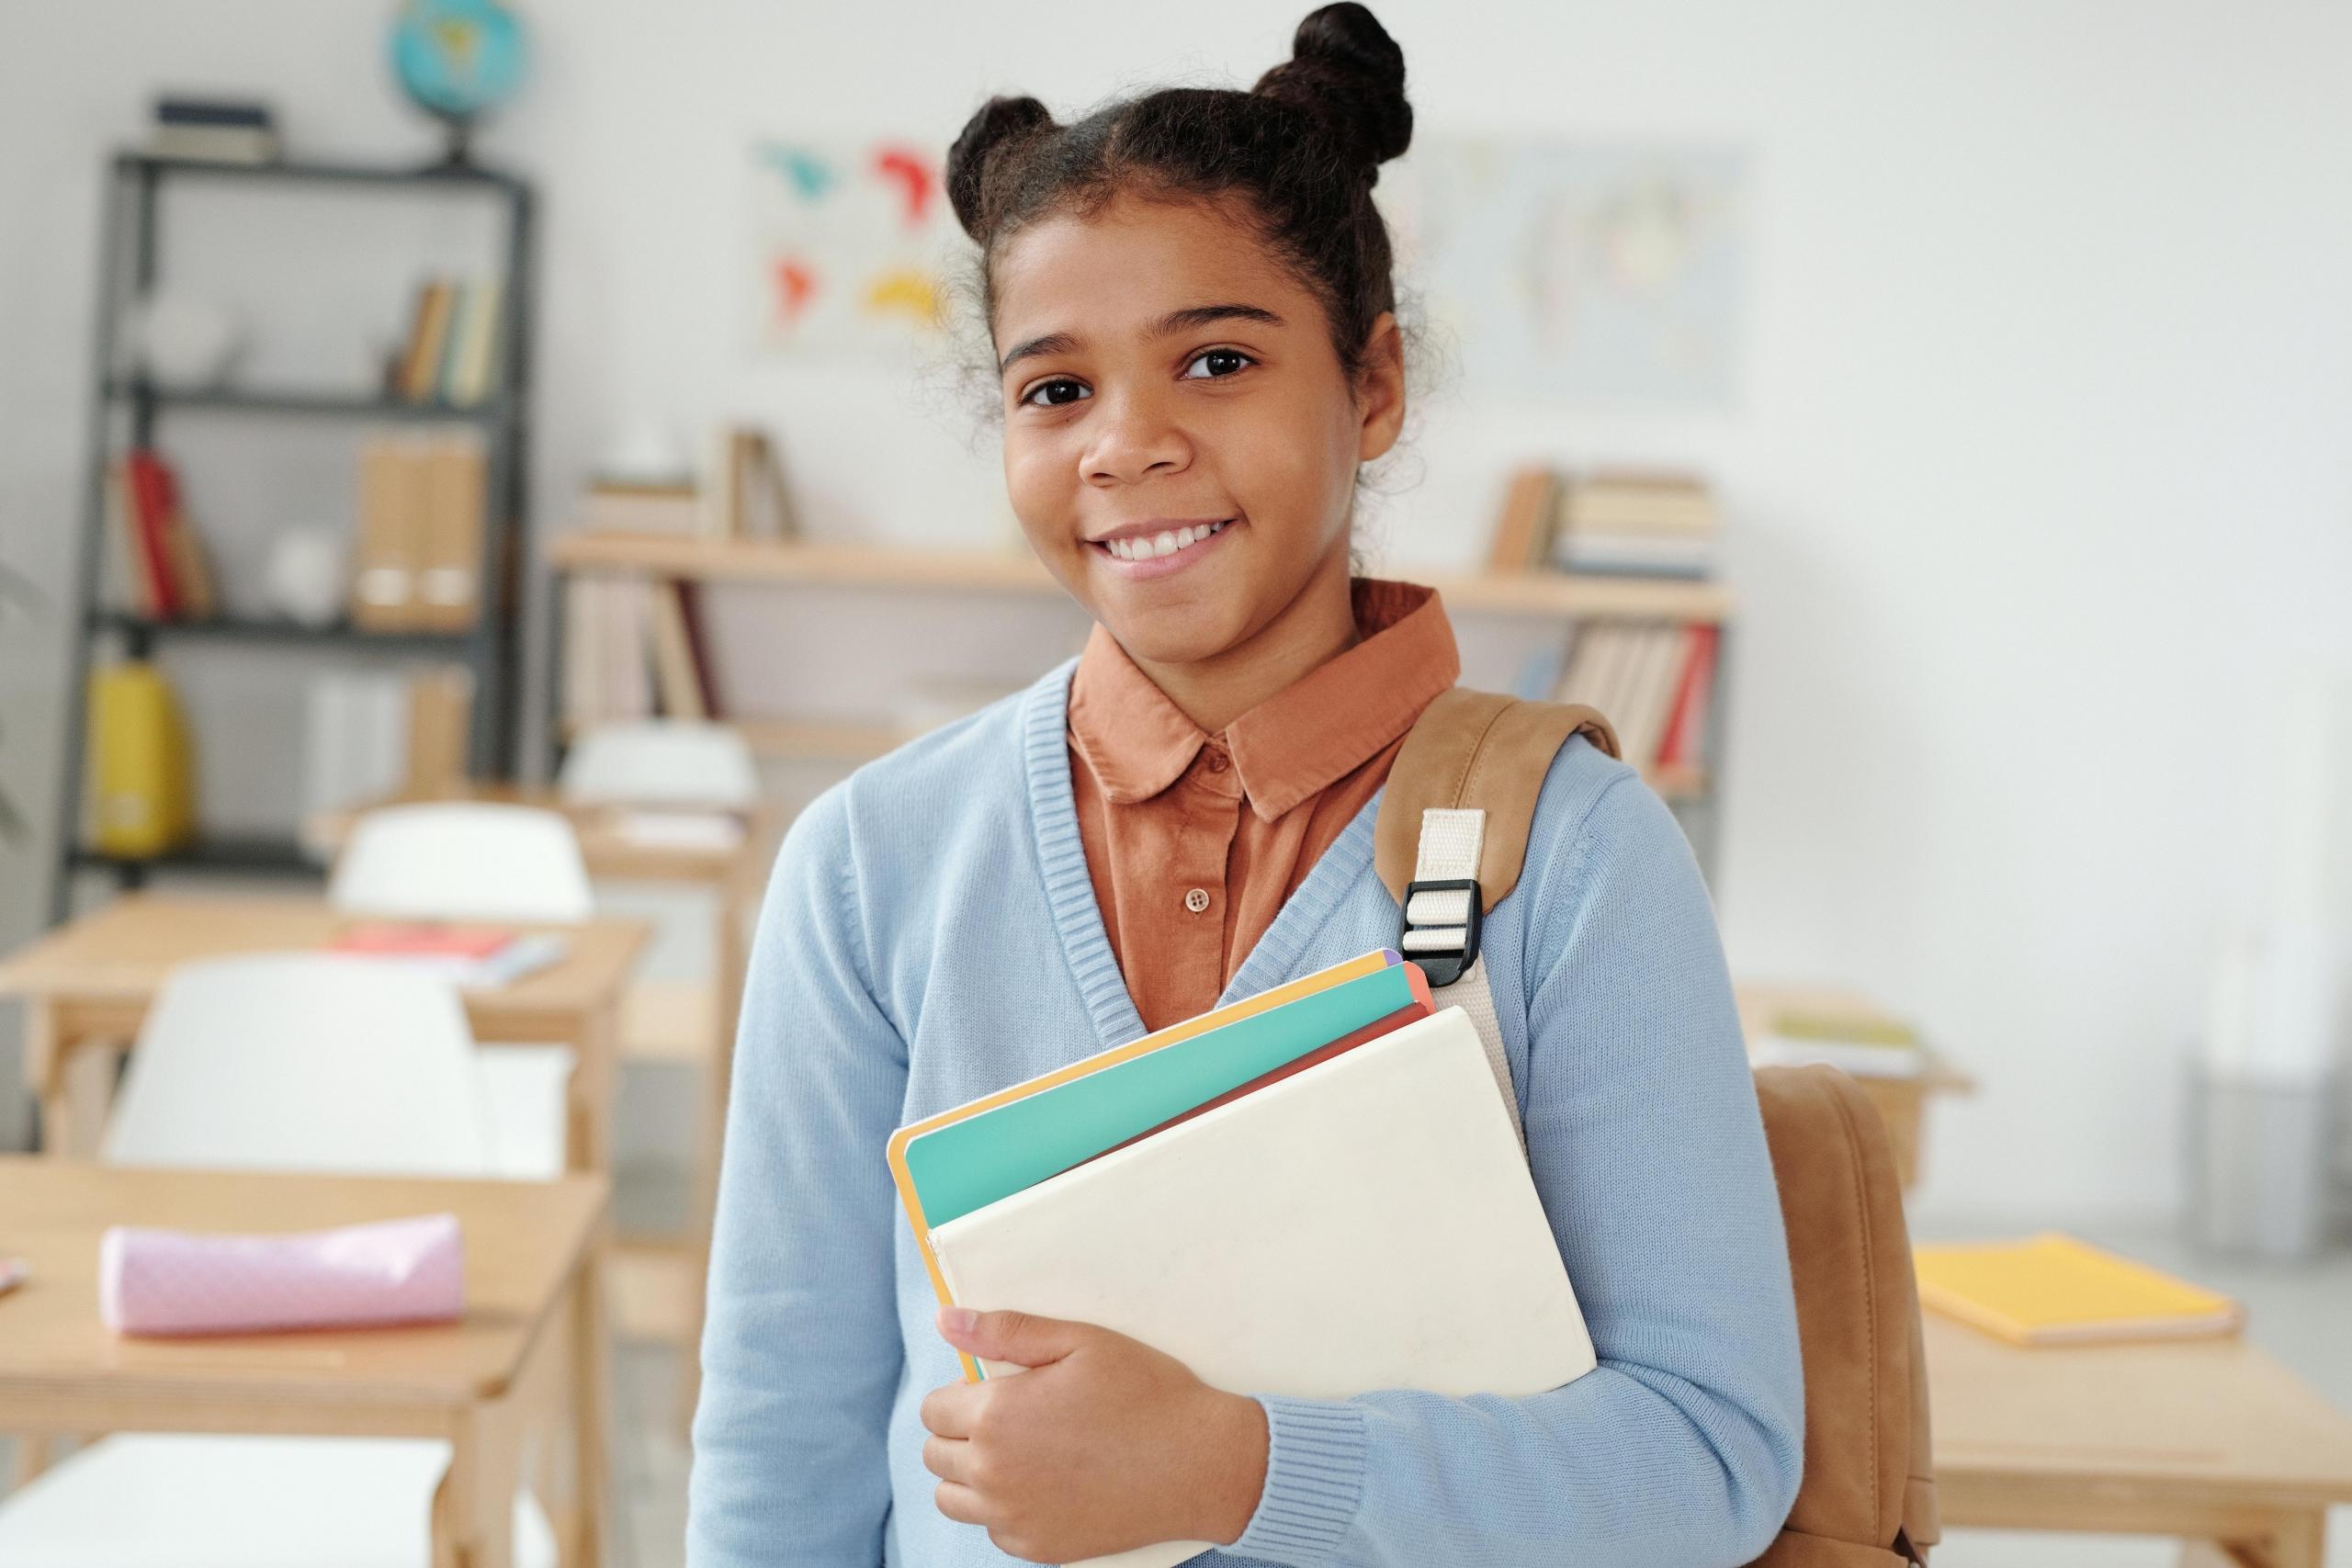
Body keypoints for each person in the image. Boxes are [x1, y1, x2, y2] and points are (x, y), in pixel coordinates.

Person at [686, 6, 1803, 1564]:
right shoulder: (870, 865)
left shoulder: (1580, 857)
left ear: (1376, 388)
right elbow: (779, 1445)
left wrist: (1239, 1468)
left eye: (1218, 361)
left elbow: (1708, 1456)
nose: (1128, 445)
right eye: (1054, 389)